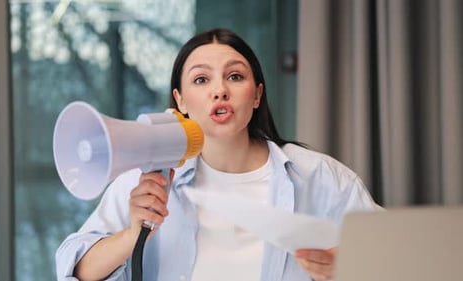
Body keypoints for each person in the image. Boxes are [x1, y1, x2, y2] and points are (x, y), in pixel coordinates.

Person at [56, 28, 380, 281]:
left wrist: (348, 265)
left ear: (257, 95)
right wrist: (132, 235)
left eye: (235, 76)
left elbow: (395, 252)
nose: (219, 90)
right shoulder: (147, 182)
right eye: (201, 79)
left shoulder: (319, 177)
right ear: (180, 101)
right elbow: (75, 268)